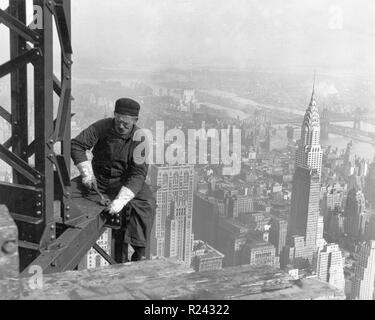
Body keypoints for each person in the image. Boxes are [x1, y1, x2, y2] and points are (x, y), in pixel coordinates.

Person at [71, 98, 155, 263]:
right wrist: (87, 173)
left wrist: (121, 201)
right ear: (114, 115)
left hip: (124, 182)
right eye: (118, 121)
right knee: (65, 193)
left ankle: (140, 251)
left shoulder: (140, 139)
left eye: (126, 124)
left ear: (135, 121)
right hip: (98, 179)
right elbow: (77, 145)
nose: (121, 126)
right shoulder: (102, 126)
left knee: (147, 203)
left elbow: (138, 173)